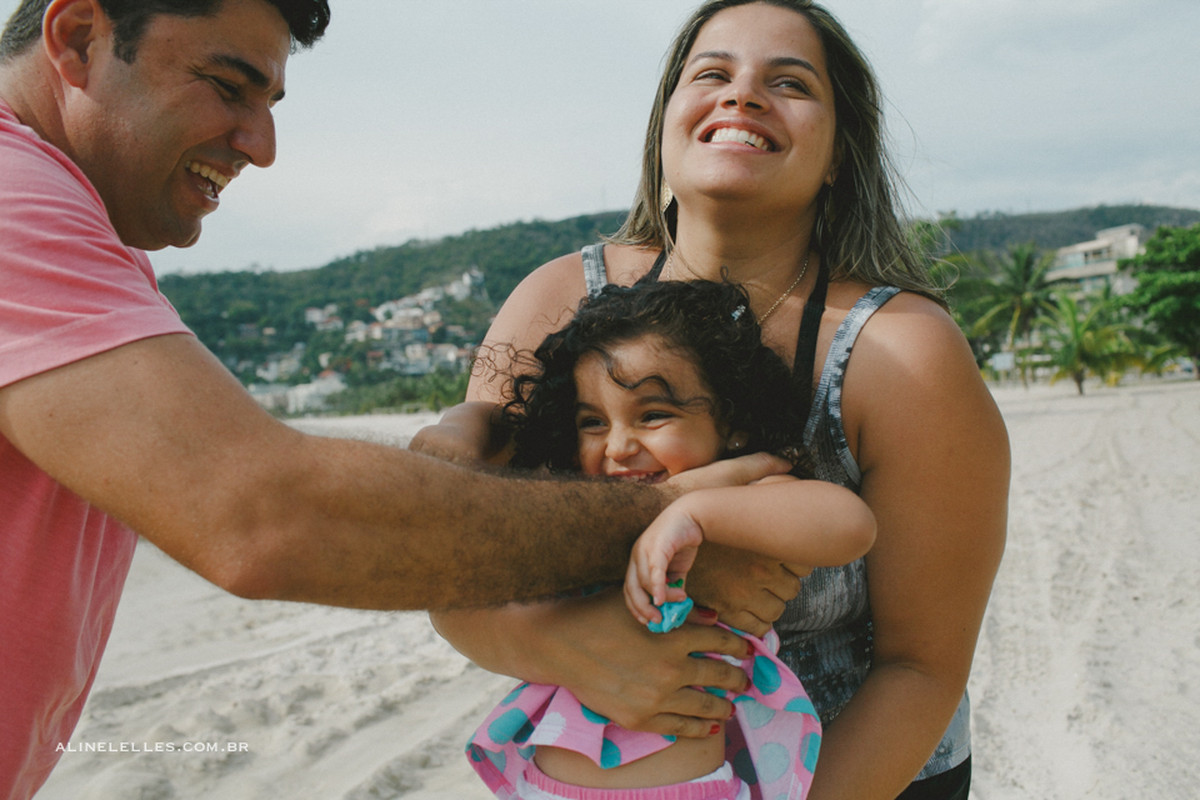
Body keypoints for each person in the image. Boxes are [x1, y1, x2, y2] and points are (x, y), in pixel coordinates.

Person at [0, 1, 789, 796]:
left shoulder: (81, 229)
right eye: (226, 84)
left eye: (269, 104)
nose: (262, 146)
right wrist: (673, 516)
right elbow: (267, 517)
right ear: (77, 38)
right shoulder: (13, 198)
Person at [422, 2, 1010, 798]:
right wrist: (565, 640)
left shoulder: (901, 352)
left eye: (789, 82)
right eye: (712, 74)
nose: (742, 96)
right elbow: (452, 571)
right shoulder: (560, 297)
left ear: (840, 152)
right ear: (666, 126)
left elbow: (922, 666)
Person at [464, 279, 875, 800]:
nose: (617, 446)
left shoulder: (745, 496)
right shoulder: (576, 503)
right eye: (592, 422)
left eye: (653, 414)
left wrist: (694, 513)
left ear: (732, 420)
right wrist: (453, 431)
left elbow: (849, 525)